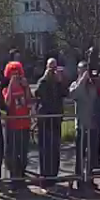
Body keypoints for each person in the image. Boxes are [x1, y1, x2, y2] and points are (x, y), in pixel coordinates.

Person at [33, 58, 68, 187]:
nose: (53, 71)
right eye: (50, 68)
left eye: (55, 68)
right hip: (45, 120)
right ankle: (45, 177)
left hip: (56, 119)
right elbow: (38, 93)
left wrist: (60, 81)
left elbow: (66, 93)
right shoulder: (43, 82)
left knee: (55, 149)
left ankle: (53, 176)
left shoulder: (58, 83)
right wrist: (45, 78)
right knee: (45, 149)